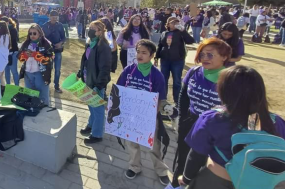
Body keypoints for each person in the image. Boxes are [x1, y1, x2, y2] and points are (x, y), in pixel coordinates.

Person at [171, 66, 285, 189]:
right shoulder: (276, 121)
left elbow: (196, 155)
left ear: (225, 90)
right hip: (264, 181)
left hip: (218, 181)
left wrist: (186, 178)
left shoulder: (213, 118)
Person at [171, 37, 232, 188]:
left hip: (214, 130)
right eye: (202, 54)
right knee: (183, 158)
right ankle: (175, 185)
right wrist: (182, 118)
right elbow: (183, 96)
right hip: (190, 122)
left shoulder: (230, 79)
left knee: (203, 164)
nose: (204, 58)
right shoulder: (194, 72)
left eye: (210, 54)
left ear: (224, 57)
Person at [117, 39, 171, 186]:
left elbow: (161, 98)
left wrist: (155, 114)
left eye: (144, 53)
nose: (140, 55)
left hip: (149, 116)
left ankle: (161, 170)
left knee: (154, 145)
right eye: (138, 52)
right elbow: (119, 90)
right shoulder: (129, 70)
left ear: (152, 55)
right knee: (132, 142)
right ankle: (134, 166)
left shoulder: (157, 75)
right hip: (130, 115)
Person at [78, 21, 112, 144]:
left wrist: (99, 85)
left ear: (100, 32)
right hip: (88, 79)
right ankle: (90, 125)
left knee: (97, 109)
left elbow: (105, 68)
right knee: (90, 105)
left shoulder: (103, 47)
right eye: (90, 28)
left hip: (96, 82)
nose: (90, 30)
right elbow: (86, 60)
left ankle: (97, 134)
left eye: (94, 29)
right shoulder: (90, 43)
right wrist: (80, 71)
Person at [155, 17, 194, 103]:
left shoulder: (180, 33)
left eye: (176, 22)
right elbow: (160, 45)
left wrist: (183, 31)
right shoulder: (164, 33)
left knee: (176, 81)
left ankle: (177, 100)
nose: (174, 24)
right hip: (165, 60)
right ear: (168, 24)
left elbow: (190, 41)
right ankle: (163, 99)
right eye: (172, 22)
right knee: (163, 79)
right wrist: (156, 57)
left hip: (177, 60)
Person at [18, 24, 53, 106]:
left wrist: (36, 55)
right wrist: (25, 55)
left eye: (34, 33)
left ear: (40, 33)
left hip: (40, 74)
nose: (32, 35)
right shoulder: (26, 43)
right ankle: (32, 110)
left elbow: (49, 59)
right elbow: (20, 58)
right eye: (30, 33)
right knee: (29, 95)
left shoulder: (46, 44)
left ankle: (44, 114)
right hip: (28, 73)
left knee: (42, 96)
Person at [42, 10, 66, 93]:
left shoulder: (60, 25)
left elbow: (64, 37)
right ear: (49, 17)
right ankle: (46, 86)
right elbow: (42, 38)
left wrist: (60, 43)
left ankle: (56, 86)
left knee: (57, 69)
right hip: (48, 51)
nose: (54, 19)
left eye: (56, 18)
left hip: (57, 50)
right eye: (53, 17)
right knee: (48, 69)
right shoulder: (45, 26)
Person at [2, 17, 19, 86]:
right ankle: (8, 86)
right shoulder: (1, 31)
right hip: (5, 54)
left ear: (7, 22)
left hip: (13, 53)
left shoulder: (13, 29)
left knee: (14, 71)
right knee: (6, 71)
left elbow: (13, 41)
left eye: (3, 24)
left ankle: (17, 86)